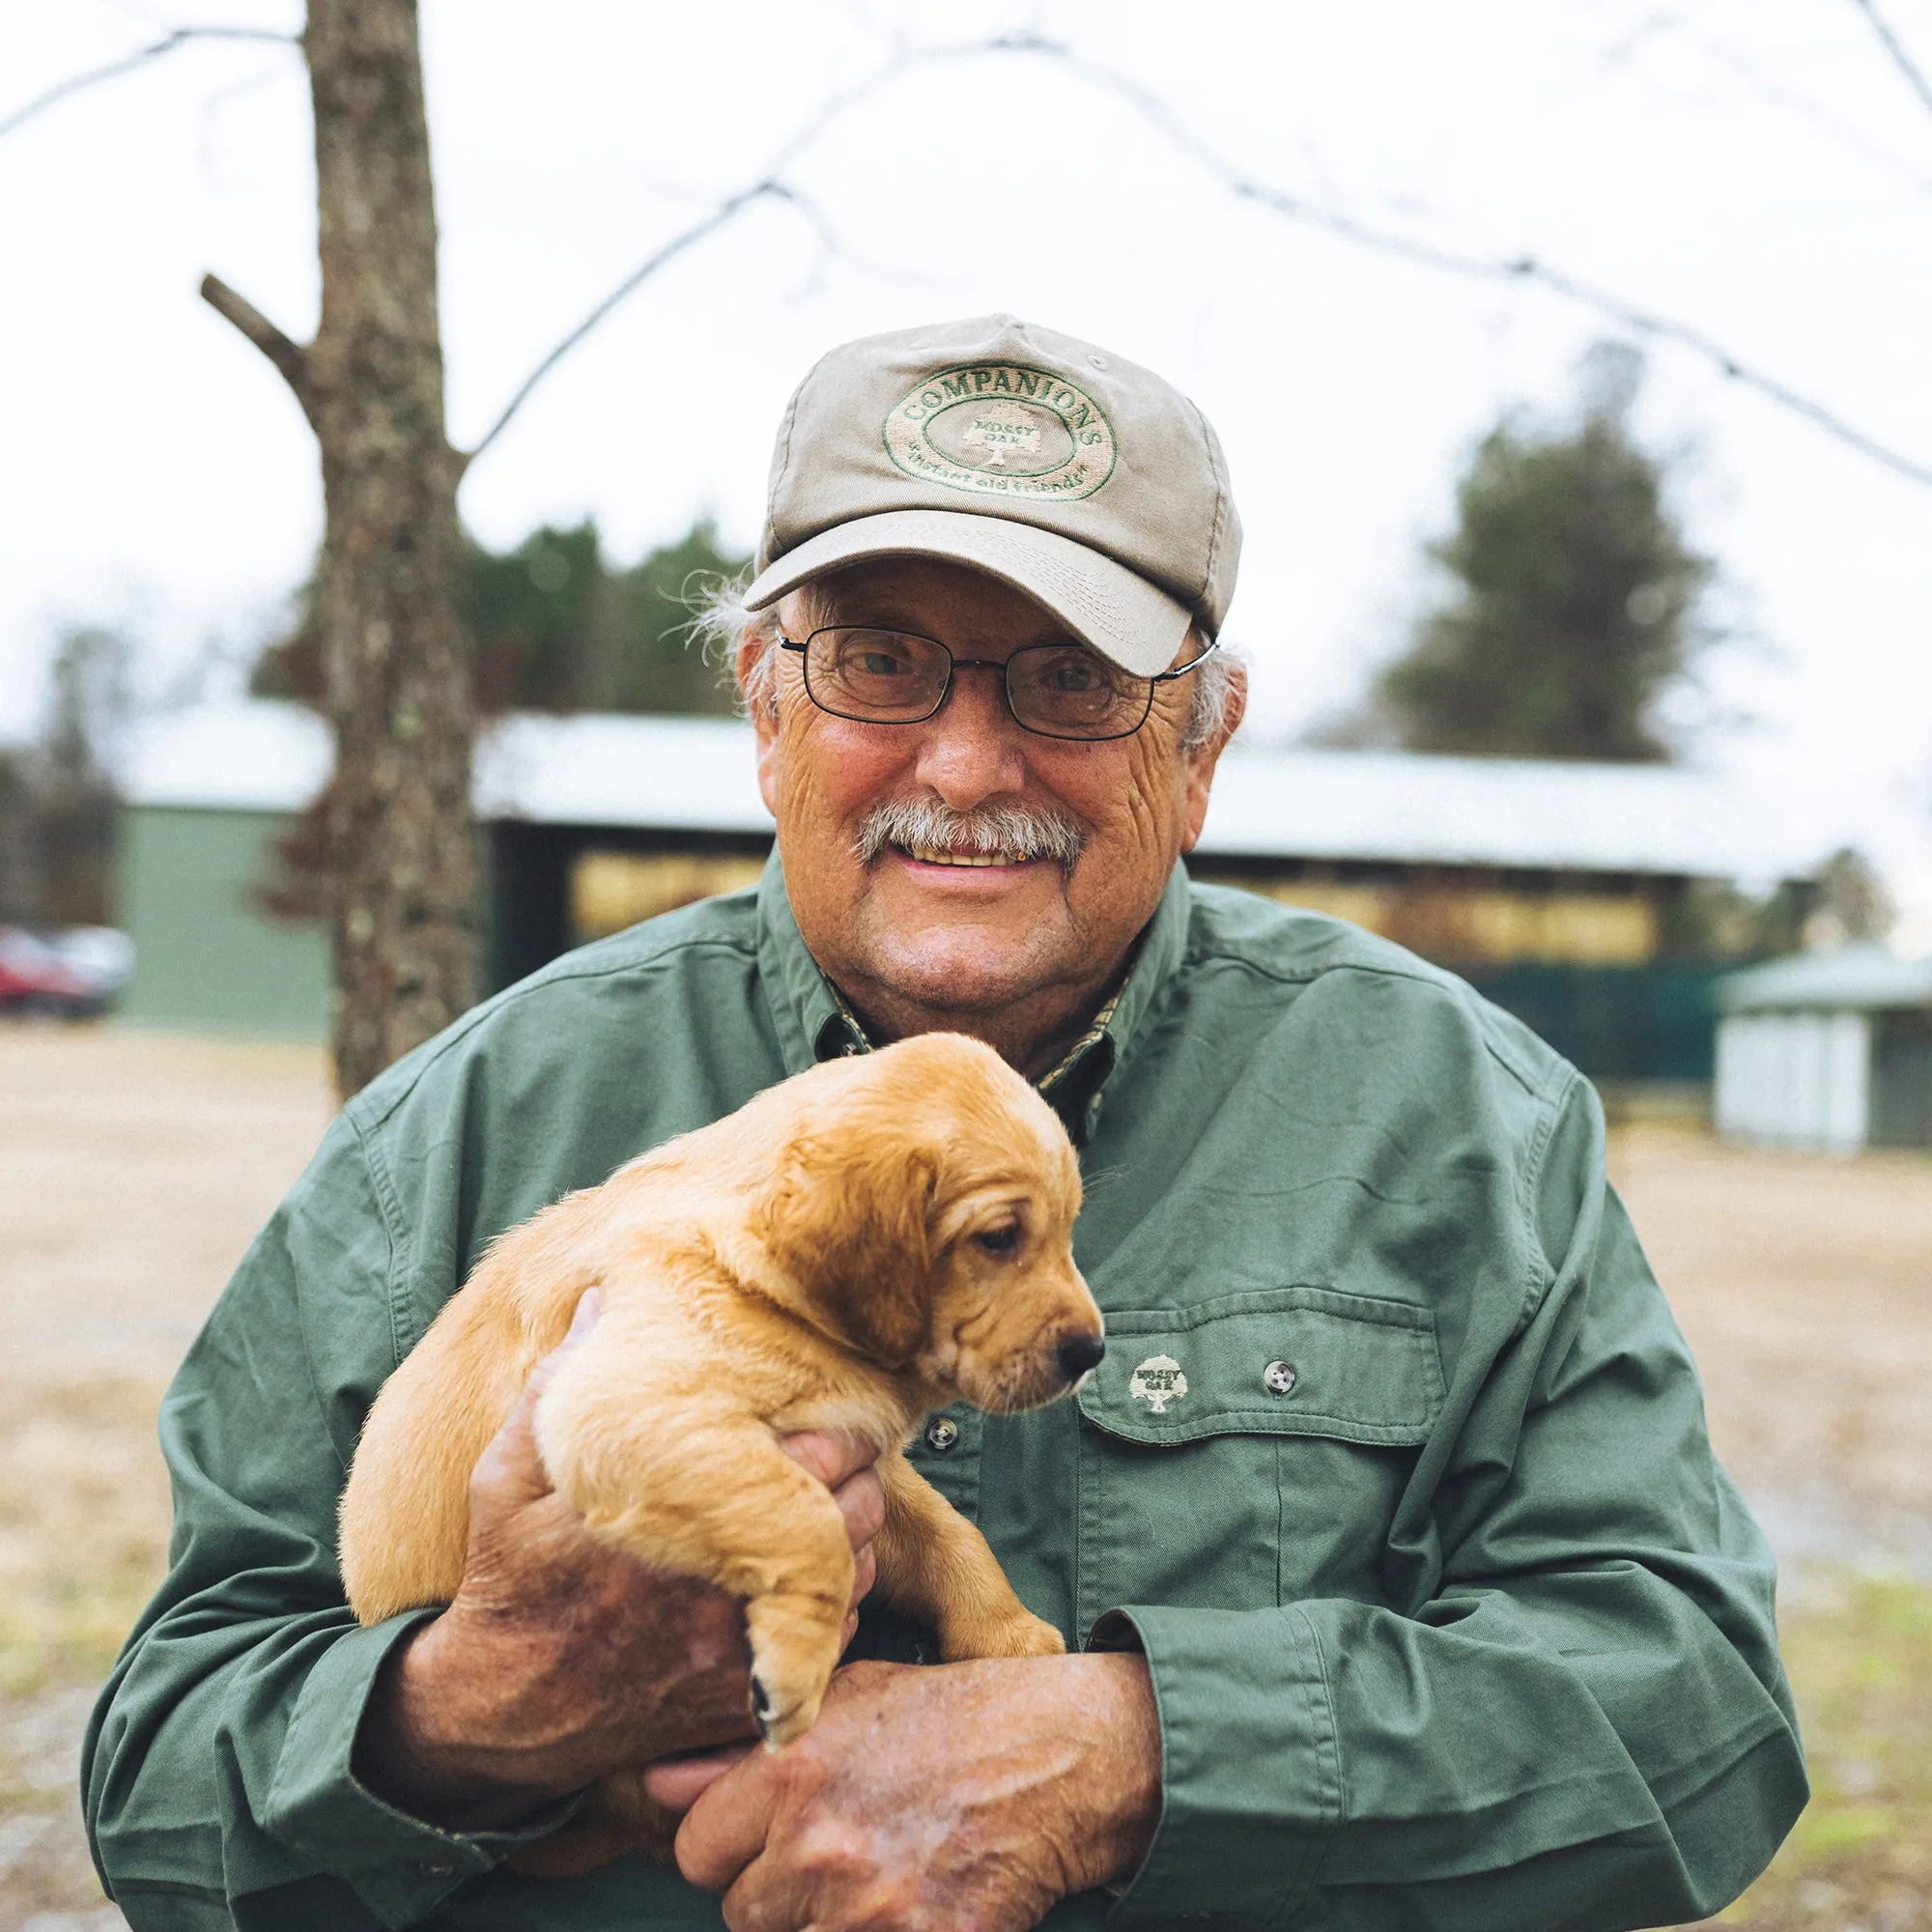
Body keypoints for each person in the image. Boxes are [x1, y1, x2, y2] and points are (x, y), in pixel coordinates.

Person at [84, 315, 1805, 1932]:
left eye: (1069, 681)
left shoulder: (1459, 1124)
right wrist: (473, 1703)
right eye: (882, 664)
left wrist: (1124, 1757)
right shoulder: (462, 1132)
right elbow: (162, 1781)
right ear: (765, 708)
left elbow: (1698, 1716)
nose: (969, 767)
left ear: (1202, 747)